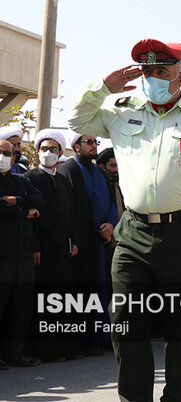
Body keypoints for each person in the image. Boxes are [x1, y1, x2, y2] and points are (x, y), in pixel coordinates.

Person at [67, 38, 181, 402]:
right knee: (126, 324)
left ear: (180, 77)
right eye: (147, 71)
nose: (152, 78)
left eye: (161, 72)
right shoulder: (121, 111)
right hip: (132, 232)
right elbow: (77, 119)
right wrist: (103, 88)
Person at [23, 130, 81, 362]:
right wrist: (35, 246)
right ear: (37, 151)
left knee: (61, 298)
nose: (48, 153)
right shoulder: (30, 178)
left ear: (60, 152)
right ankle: (42, 349)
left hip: (62, 249)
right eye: (44, 149)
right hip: (42, 250)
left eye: (53, 149)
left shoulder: (62, 179)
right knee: (43, 298)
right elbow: (32, 218)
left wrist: (74, 240)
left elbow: (72, 214)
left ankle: (62, 346)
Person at [57, 132, 117, 355]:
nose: (94, 146)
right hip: (81, 240)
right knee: (82, 291)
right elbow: (78, 207)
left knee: (99, 289)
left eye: (95, 142)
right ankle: (83, 340)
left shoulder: (97, 171)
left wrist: (110, 225)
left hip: (99, 240)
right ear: (76, 146)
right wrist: (96, 227)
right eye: (89, 142)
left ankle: (99, 336)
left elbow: (111, 202)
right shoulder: (70, 169)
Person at [0, 139, 44, 369]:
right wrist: (25, 212)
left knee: (21, 305)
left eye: (7, 153)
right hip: (3, 254)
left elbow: (40, 201)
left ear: (14, 157)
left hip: (24, 253)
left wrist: (17, 201)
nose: (3, 156)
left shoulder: (20, 181)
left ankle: (14, 353)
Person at [96, 147, 124, 219]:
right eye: (113, 165)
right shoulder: (95, 187)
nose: (117, 170)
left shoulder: (119, 187)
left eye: (118, 165)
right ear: (102, 166)